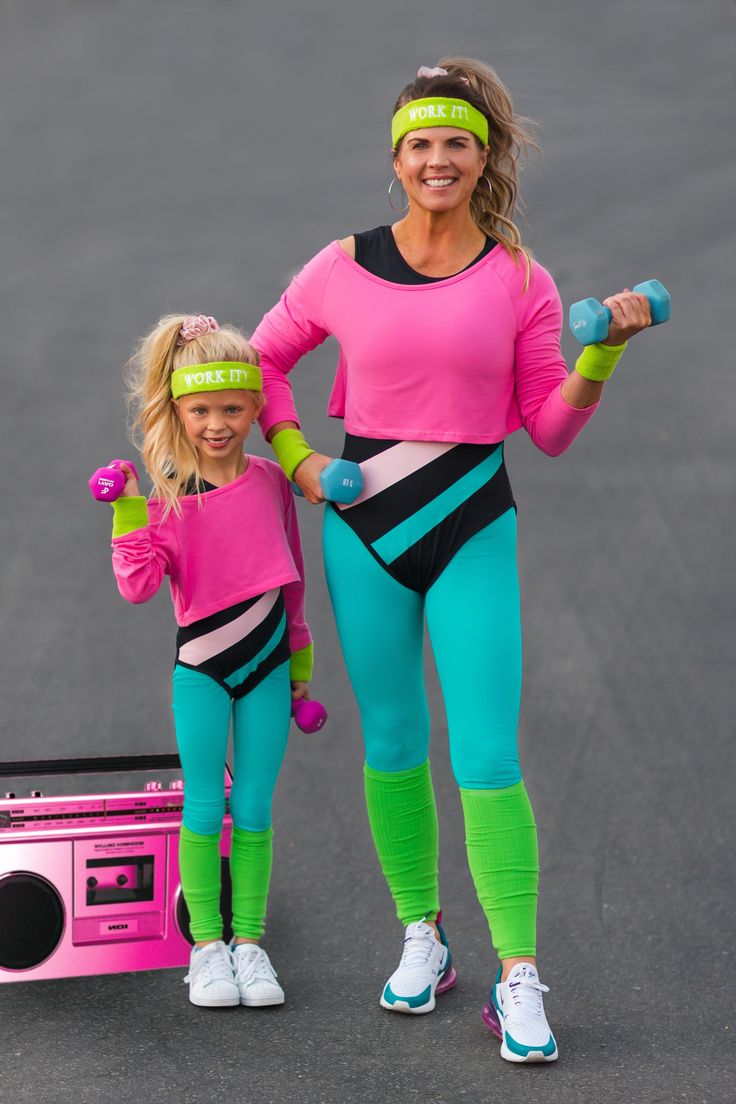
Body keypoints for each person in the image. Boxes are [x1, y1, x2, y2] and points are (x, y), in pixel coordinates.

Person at [251, 58, 651, 1062]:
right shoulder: (339, 265)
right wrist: (299, 461)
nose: (438, 159)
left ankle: (517, 976)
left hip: (473, 522)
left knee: (485, 752)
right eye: (421, 144)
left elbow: (548, 430)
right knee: (391, 741)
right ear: (397, 159)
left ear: (482, 158)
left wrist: (602, 351)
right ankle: (422, 937)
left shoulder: (521, 278)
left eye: (456, 144)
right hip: (364, 532)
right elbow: (260, 359)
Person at [106, 313, 314, 1009]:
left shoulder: (269, 482)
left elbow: (293, 580)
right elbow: (135, 588)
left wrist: (302, 666)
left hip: (268, 667)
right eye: (201, 410)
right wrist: (128, 513)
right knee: (203, 807)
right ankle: (206, 951)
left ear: (257, 406)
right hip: (201, 670)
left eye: (232, 407)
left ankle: (249, 945)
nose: (217, 423)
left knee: (253, 806)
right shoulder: (164, 496)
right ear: (177, 409)